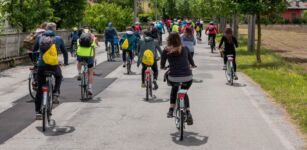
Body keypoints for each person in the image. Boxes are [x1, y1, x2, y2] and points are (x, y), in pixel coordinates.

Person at [161, 33, 197, 125]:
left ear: (169, 40)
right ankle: (188, 112)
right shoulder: (185, 48)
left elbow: (162, 64)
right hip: (187, 77)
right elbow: (191, 62)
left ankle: (171, 109)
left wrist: (163, 67)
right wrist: (193, 65)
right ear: (179, 39)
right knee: (184, 92)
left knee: (174, 89)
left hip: (173, 78)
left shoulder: (166, 50)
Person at [33, 22, 65, 119]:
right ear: (55, 29)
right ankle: (55, 92)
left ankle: (38, 112)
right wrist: (66, 62)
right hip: (53, 66)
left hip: (42, 66)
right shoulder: (58, 39)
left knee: (40, 89)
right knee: (59, 76)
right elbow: (64, 52)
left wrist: (36, 62)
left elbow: (34, 51)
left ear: (46, 29)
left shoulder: (40, 38)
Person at [76, 30, 97, 96]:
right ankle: (90, 88)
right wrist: (93, 59)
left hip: (80, 55)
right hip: (89, 56)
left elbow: (77, 48)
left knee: (79, 61)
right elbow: (94, 51)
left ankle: (79, 73)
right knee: (90, 72)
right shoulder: (92, 41)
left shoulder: (79, 40)